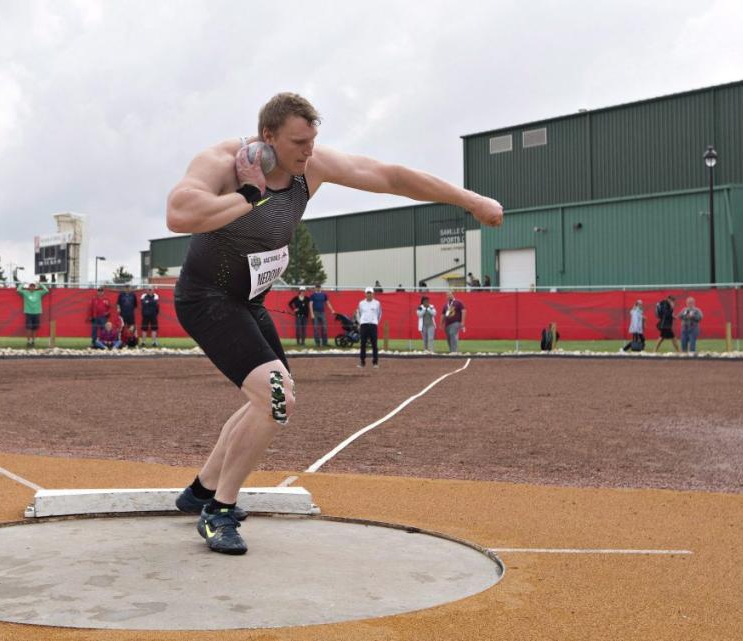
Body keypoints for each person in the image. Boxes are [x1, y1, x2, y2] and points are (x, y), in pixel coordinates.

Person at [165, 91, 502, 555]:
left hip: (249, 300)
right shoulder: (223, 162)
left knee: (273, 399)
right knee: (274, 394)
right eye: (299, 141)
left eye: (313, 139)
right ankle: (218, 512)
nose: (309, 150)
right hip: (205, 296)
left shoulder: (312, 167)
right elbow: (179, 214)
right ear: (268, 136)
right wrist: (248, 193)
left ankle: (201, 491)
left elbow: (390, 177)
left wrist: (470, 199)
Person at [16, 281, 50, 347]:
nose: (32, 287)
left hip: (37, 313)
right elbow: (18, 290)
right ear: (29, 287)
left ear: (35, 287)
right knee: (28, 328)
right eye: (31, 286)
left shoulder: (39, 293)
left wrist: (40, 284)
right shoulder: (25, 292)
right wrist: (23, 284)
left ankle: (33, 341)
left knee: (35, 328)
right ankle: (28, 341)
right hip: (28, 313)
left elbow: (46, 290)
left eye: (33, 286)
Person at [356, 287, 382, 367]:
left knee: (374, 344)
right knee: (362, 344)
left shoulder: (377, 303)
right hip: (364, 325)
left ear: (373, 294)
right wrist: (361, 322)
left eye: (370, 293)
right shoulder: (361, 303)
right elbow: (359, 313)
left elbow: (379, 314)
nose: (369, 294)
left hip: (373, 325)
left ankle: (375, 362)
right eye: (367, 293)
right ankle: (362, 362)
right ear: (365, 294)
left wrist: (375, 322)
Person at [309, 283, 335, 347]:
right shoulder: (312, 295)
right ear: (315, 288)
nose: (318, 288)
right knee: (316, 328)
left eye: (319, 287)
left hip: (322, 313)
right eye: (317, 287)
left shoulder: (324, 295)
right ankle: (317, 343)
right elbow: (310, 304)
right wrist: (312, 313)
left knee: (324, 327)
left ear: (320, 288)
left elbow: (328, 303)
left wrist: (332, 310)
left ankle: (325, 343)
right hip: (315, 312)